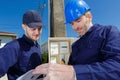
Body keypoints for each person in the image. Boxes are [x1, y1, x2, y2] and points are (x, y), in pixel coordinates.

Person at [32, 0, 120, 80]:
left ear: (89, 17)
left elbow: (116, 67)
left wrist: (74, 72)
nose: (75, 27)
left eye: (78, 21)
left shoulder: (109, 32)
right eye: (71, 24)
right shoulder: (75, 46)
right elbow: (70, 67)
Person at [0, 10, 43, 80]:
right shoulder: (13, 47)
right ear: (24, 27)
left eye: (39, 28)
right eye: (33, 28)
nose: (37, 32)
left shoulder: (37, 47)